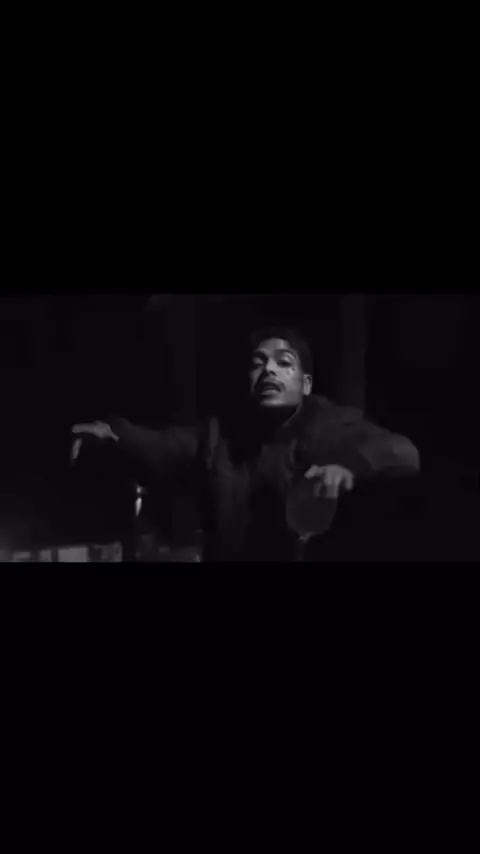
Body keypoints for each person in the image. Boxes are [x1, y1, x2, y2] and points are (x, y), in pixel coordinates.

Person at [71, 326, 420, 561]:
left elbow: (403, 452)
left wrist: (348, 467)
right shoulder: (220, 434)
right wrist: (114, 432)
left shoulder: (328, 423)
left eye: (284, 363)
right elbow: (163, 445)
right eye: (258, 364)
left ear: (306, 383)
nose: (269, 370)